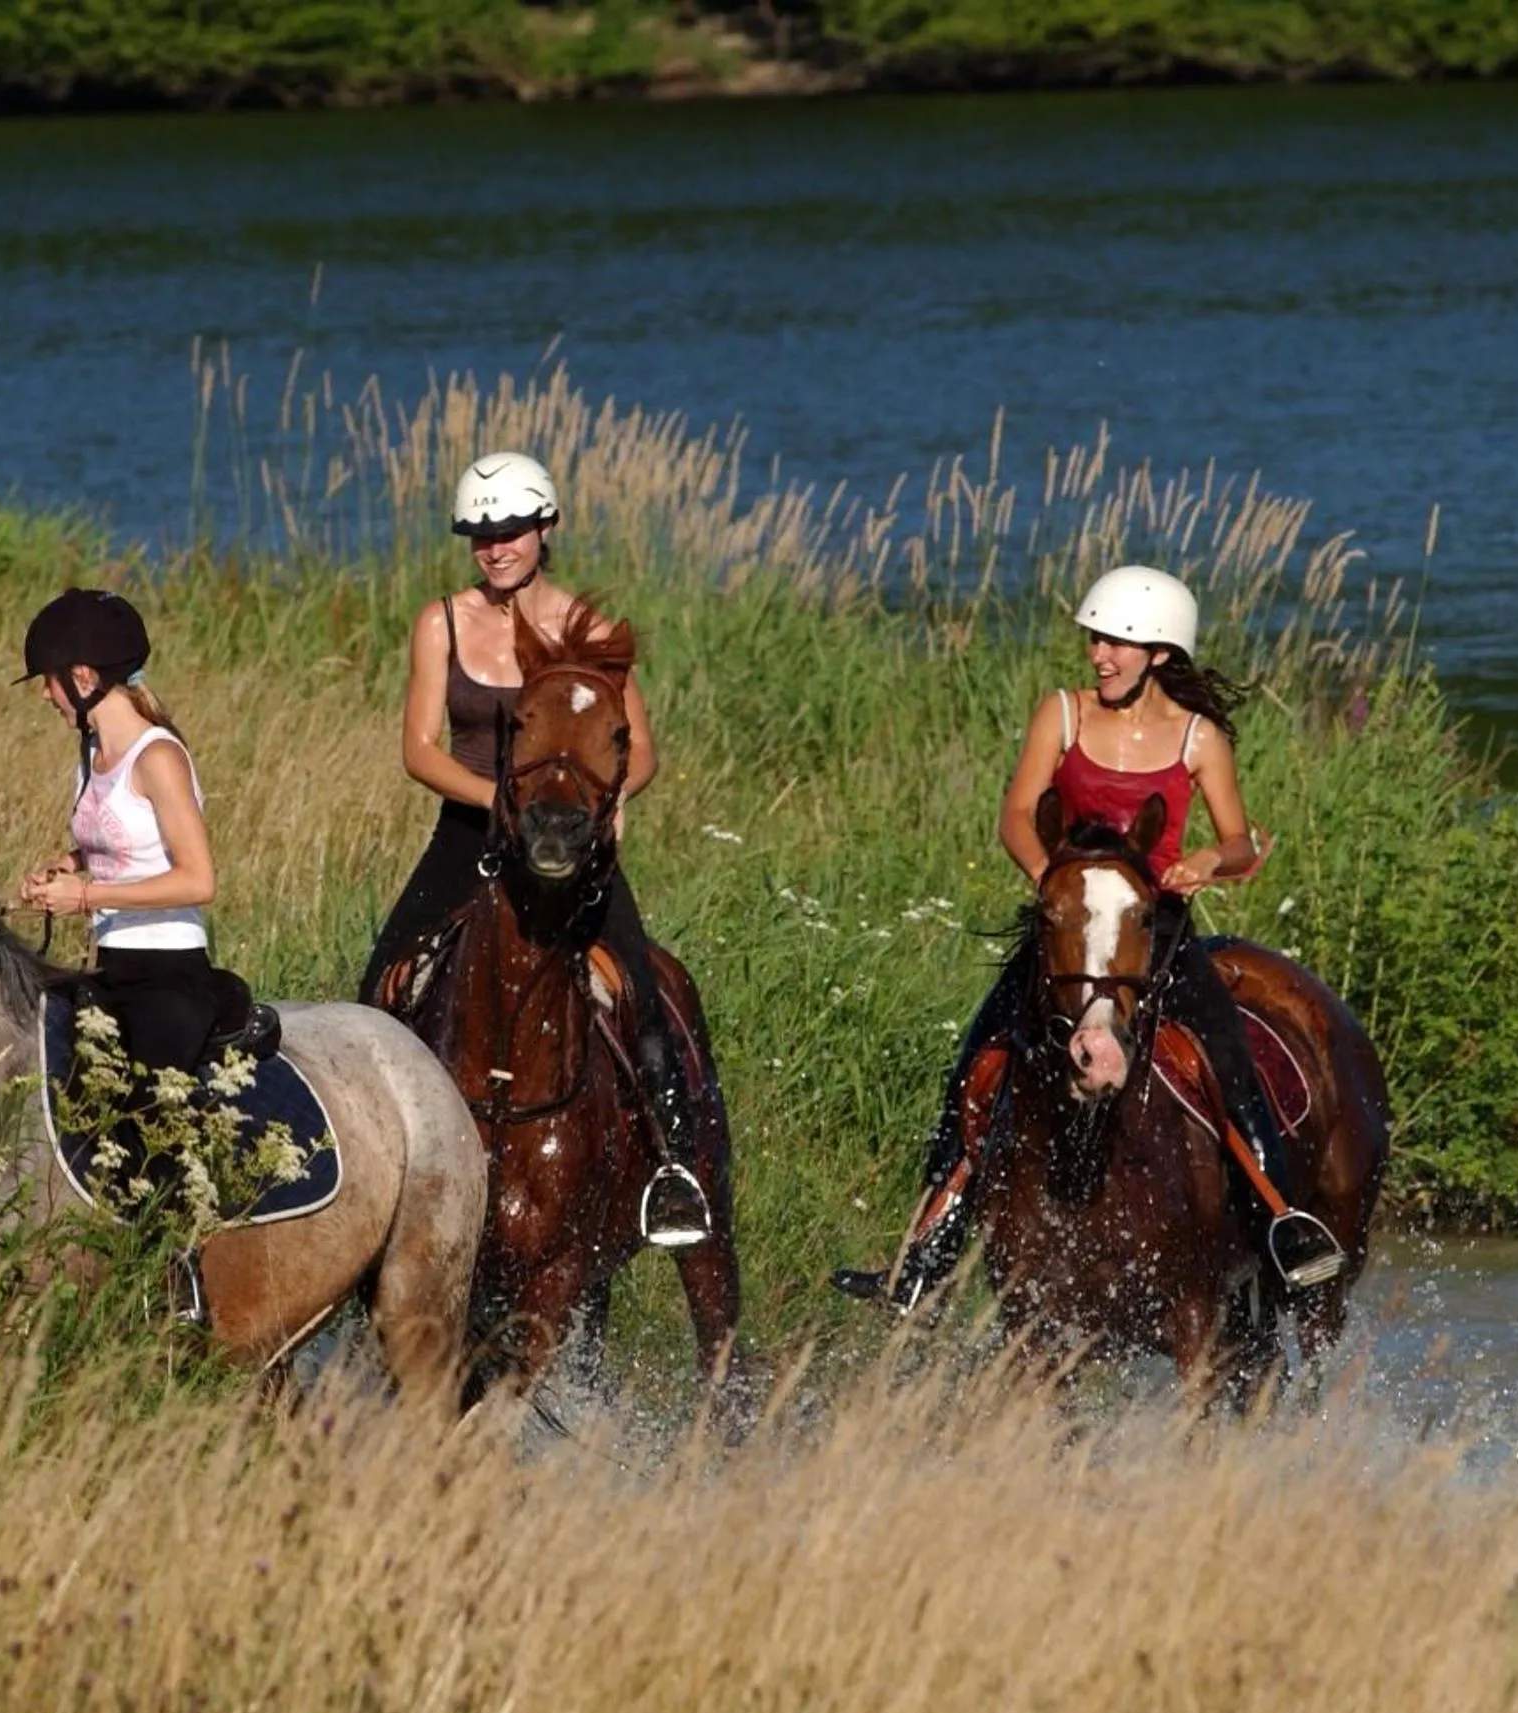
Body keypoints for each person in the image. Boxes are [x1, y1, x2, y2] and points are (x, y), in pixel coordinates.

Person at [833, 565, 1345, 1309]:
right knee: (978, 1066)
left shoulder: (1199, 738)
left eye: (1117, 643)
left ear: (1161, 654)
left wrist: (1207, 859)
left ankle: (1283, 1227)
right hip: (1068, 929)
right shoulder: (1062, 714)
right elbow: (1016, 814)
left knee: (1231, 1069)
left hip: (1154, 934)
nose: (1099, 655)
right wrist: (1054, 885)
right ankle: (927, 1252)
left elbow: (1238, 841)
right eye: (1096, 639)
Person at [357, 450, 712, 1249]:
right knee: (379, 991)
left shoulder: (592, 631)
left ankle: (672, 1170)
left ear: (546, 527)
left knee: (641, 996)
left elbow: (642, 747)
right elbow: (419, 749)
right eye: (480, 534)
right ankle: (375, 1191)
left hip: (576, 844)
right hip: (470, 834)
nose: (495, 546)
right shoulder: (440, 622)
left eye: (511, 529)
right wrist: (505, 806)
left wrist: (612, 799)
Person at [14, 587, 221, 1111]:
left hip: (167, 973)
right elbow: (122, 837)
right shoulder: (92, 752)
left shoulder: (158, 758)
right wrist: (67, 865)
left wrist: (84, 897)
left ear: (83, 678)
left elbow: (199, 880)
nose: (44, 695)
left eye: (49, 680)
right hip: (107, 964)